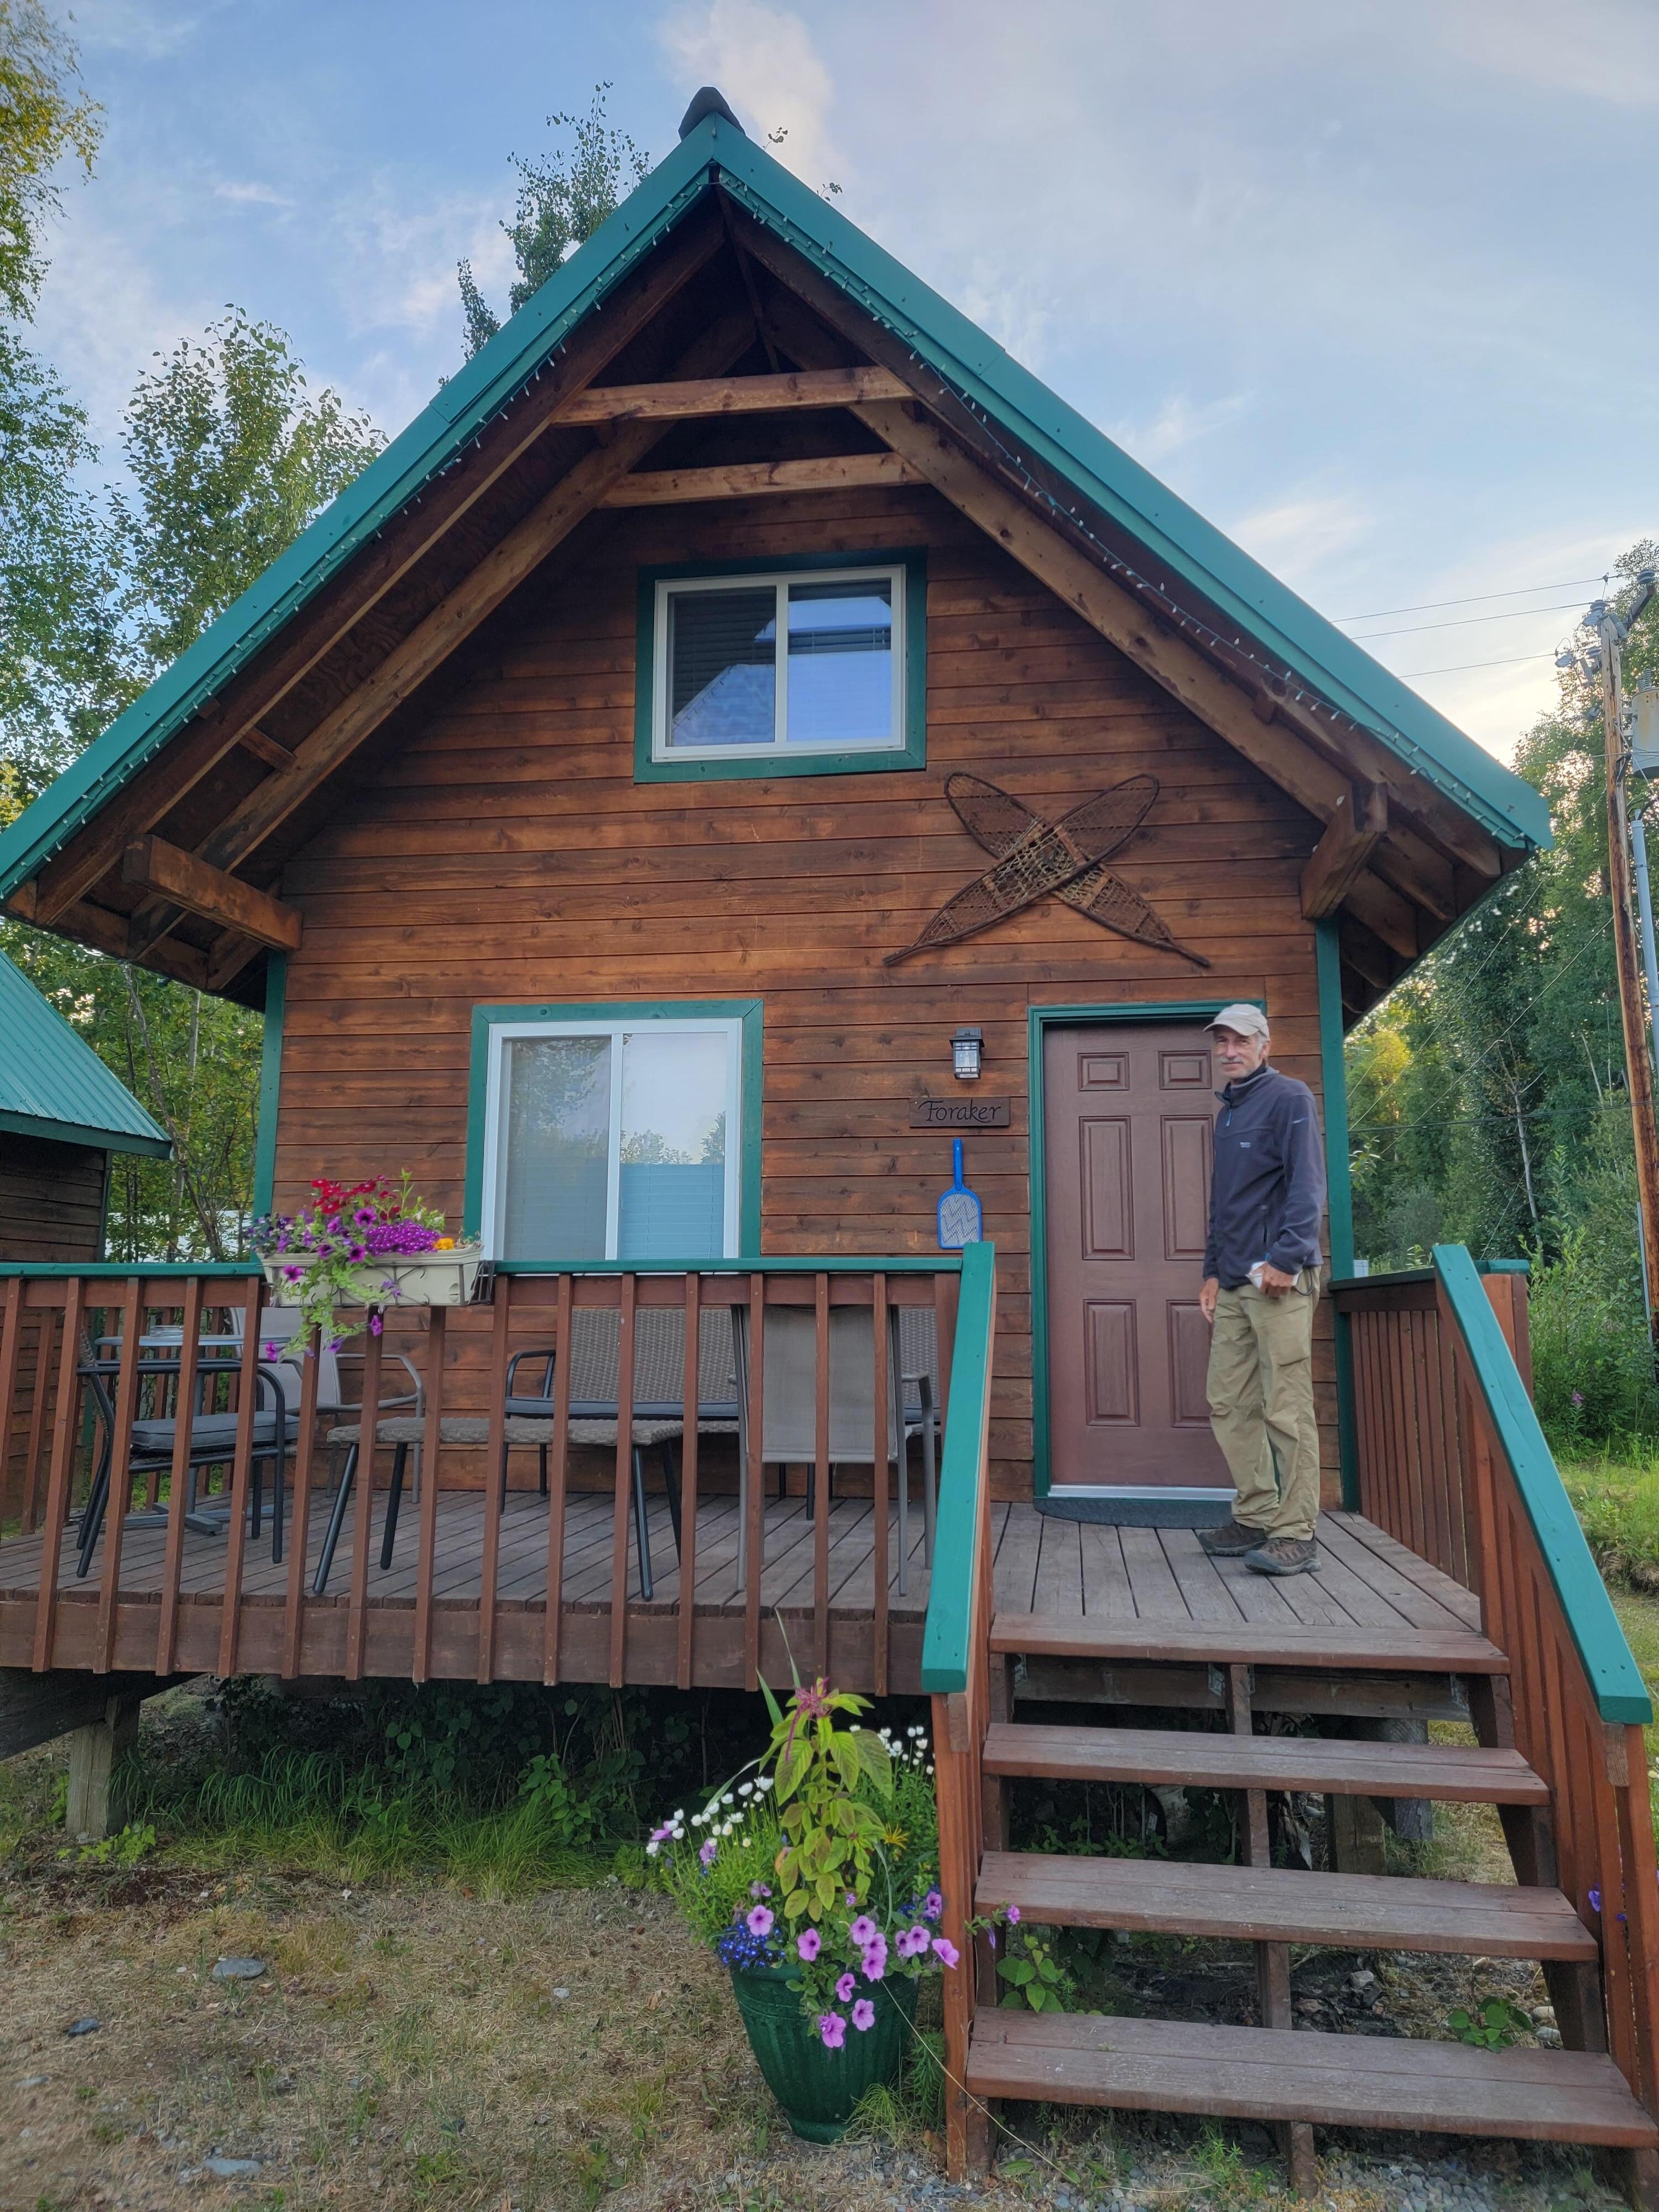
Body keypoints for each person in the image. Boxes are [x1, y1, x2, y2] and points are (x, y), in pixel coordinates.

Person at [1196, 1003, 1327, 1575]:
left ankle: (1296, 1532)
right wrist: (1210, 1269)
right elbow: (1223, 1203)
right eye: (1221, 1041)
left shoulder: (1291, 1097)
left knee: (1286, 1408)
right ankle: (1255, 1513)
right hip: (1232, 1281)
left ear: (1265, 1044)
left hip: (1280, 1281)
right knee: (1228, 1401)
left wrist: (1285, 1258)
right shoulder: (1225, 1115)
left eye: (1240, 1040)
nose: (1229, 1050)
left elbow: (1308, 1185)